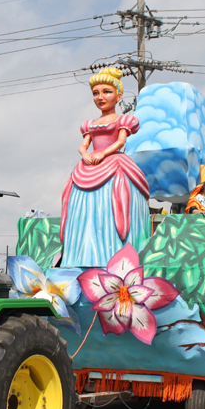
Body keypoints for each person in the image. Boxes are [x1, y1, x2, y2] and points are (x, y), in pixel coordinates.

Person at [60, 67, 150, 267]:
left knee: (117, 201)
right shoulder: (90, 124)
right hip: (89, 166)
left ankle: (114, 256)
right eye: (96, 93)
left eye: (106, 92)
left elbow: (120, 142)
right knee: (77, 204)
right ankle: (80, 256)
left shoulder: (122, 120)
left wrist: (103, 153)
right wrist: (85, 154)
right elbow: (83, 145)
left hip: (114, 164)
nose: (100, 97)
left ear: (119, 96)